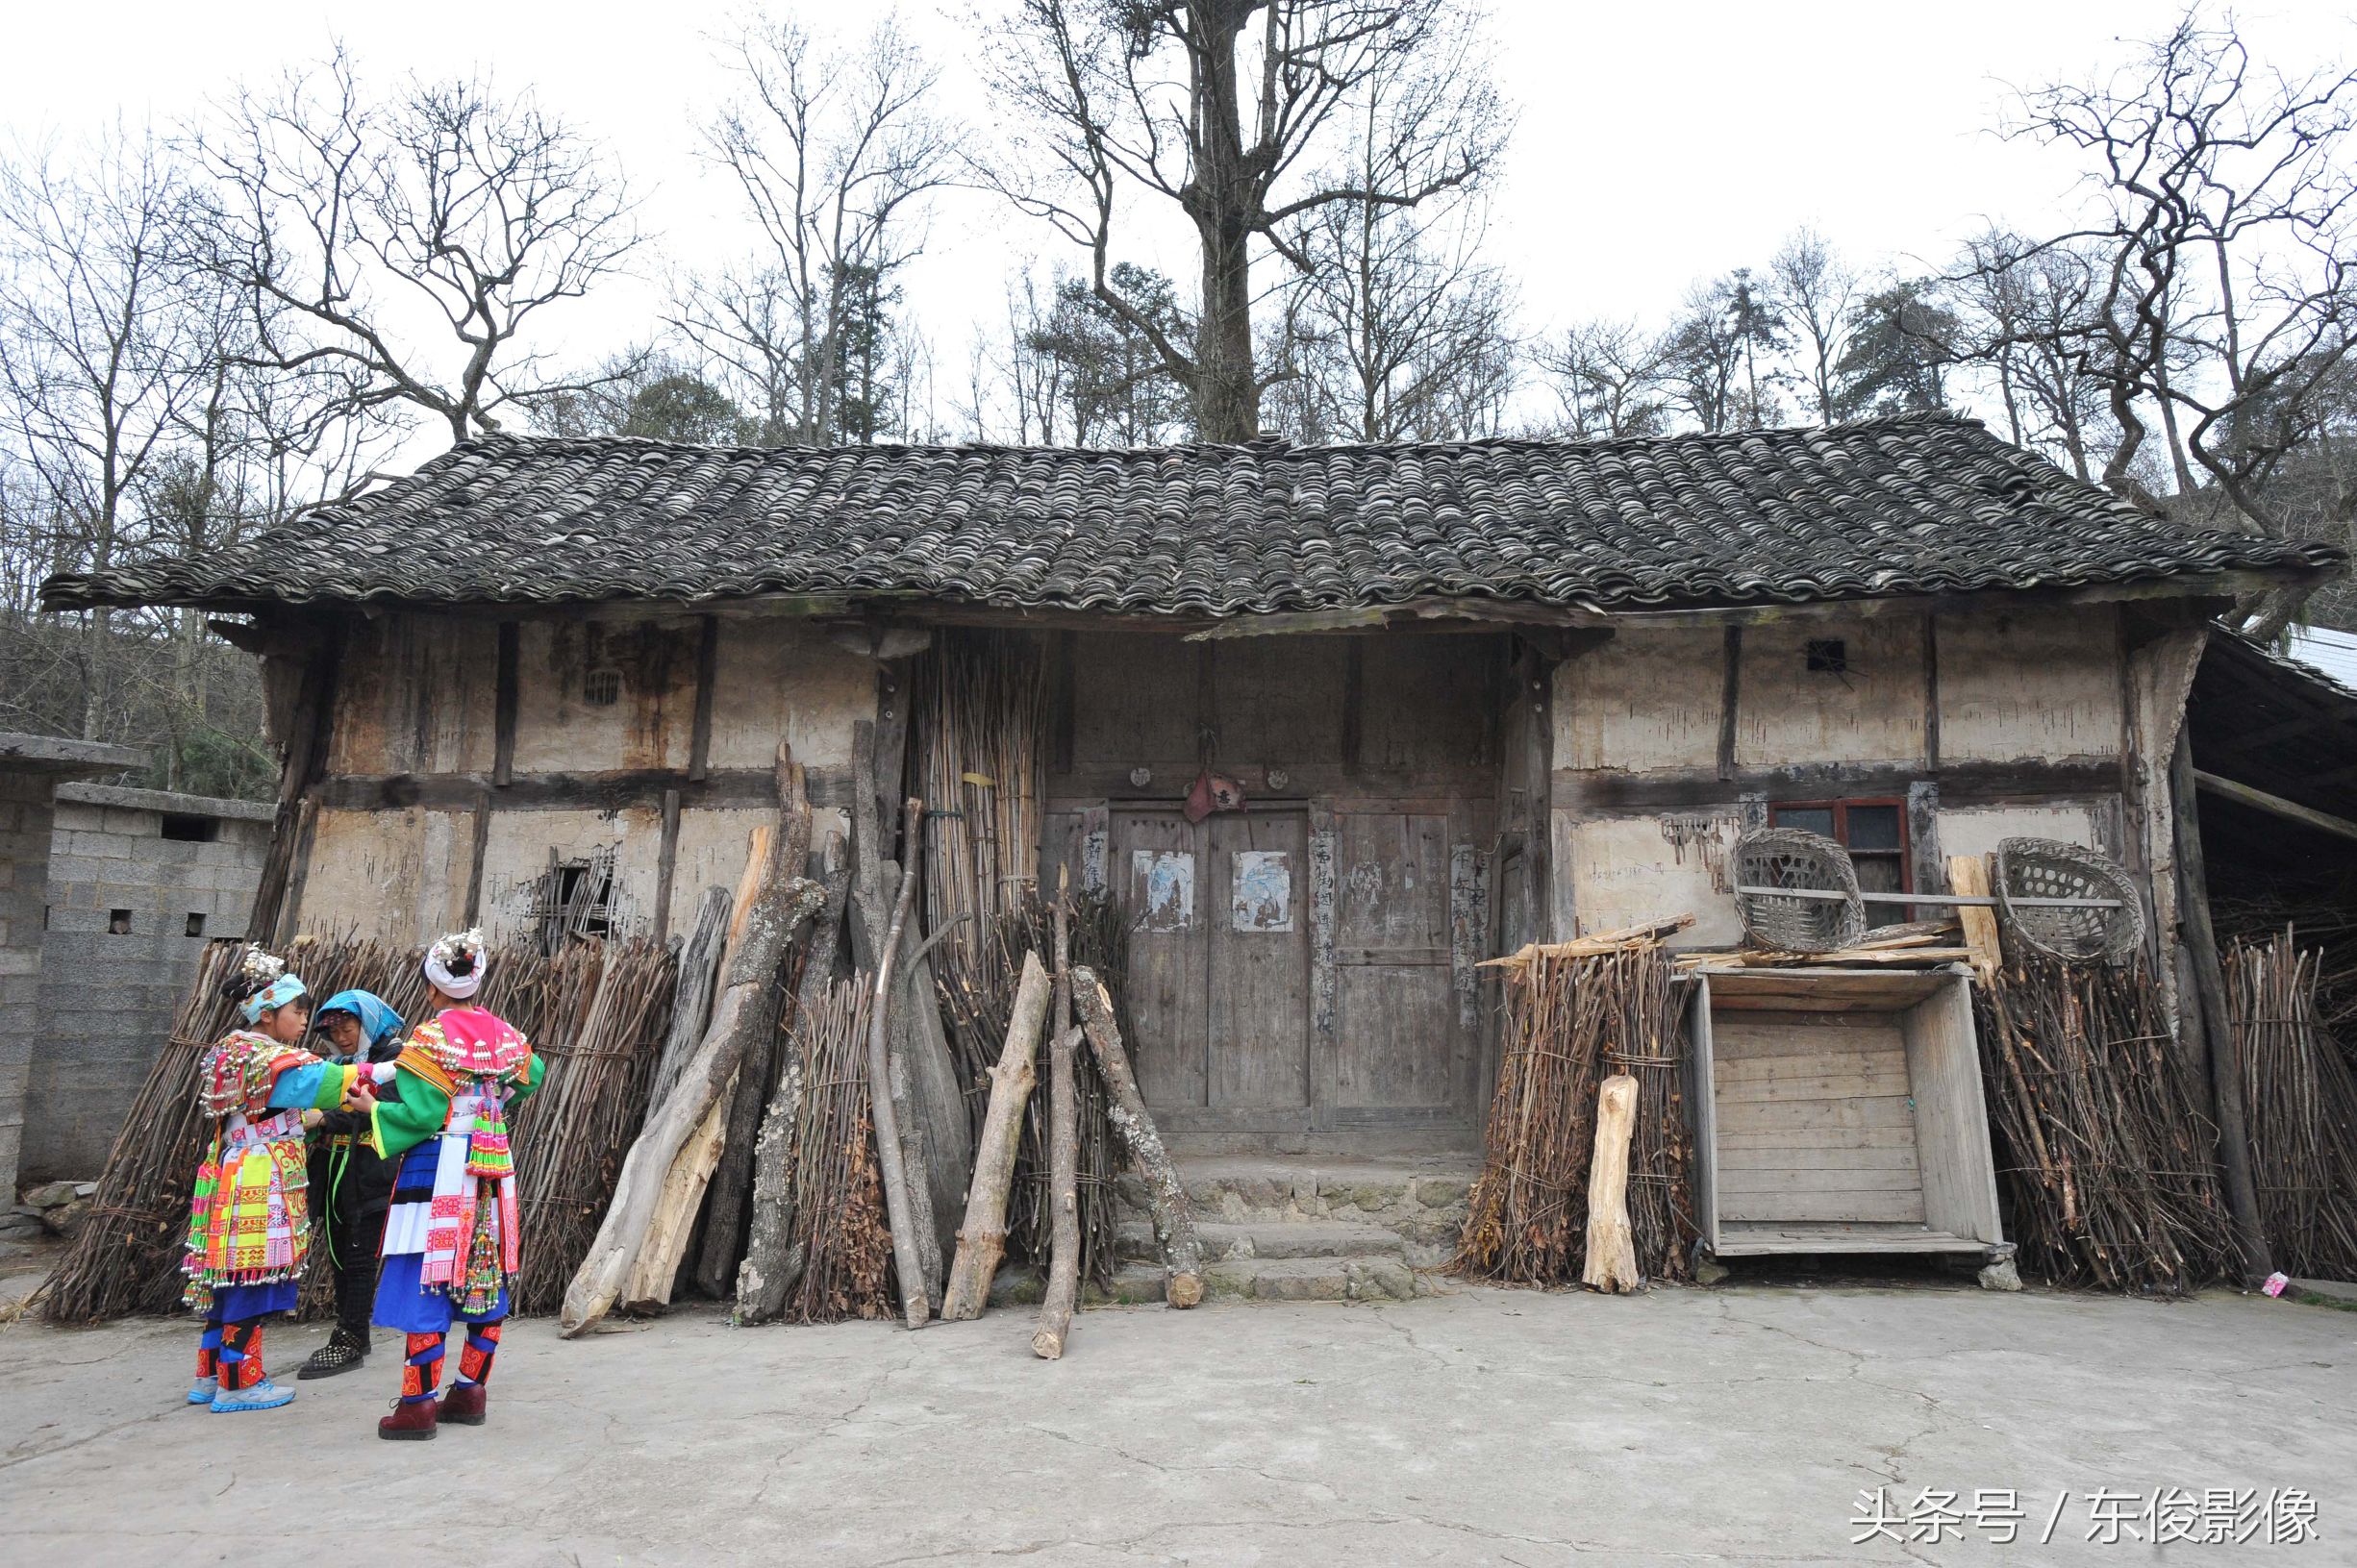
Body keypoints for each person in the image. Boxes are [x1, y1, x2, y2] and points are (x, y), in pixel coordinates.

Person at [182, 947, 376, 1414]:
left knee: (229, 1273)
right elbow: (335, 1082)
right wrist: (391, 1070)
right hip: (260, 1176)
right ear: (267, 1015)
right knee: (252, 1273)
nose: (304, 1018)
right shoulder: (271, 1059)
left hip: (234, 1165)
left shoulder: (230, 1050)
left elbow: (268, 1112)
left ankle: (210, 1375)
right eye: (297, 1009)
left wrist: (305, 1119)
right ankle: (240, 1382)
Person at [369, 928, 543, 1440]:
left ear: (431, 986)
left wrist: (373, 1108)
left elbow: (422, 1113)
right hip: (490, 1171)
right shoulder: (507, 1036)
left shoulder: (429, 1038)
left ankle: (417, 1405)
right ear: (478, 979)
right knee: (484, 1266)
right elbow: (531, 1073)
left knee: (429, 1270)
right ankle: (470, 1391)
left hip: (438, 1166)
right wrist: (494, 1101)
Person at [297, 990, 408, 1381]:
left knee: (360, 1256)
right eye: (335, 1032)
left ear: (368, 1024)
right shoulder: (338, 1065)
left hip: (372, 1172)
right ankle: (354, 1333)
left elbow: (388, 1109)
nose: (342, 1037)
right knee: (340, 1253)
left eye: (349, 1028)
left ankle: (349, 1337)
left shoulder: (397, 1062)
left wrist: (326, 1119)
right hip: (333, 1173)